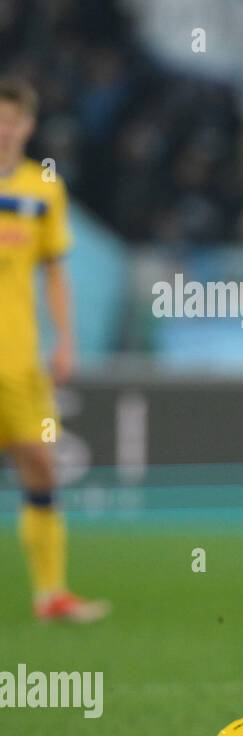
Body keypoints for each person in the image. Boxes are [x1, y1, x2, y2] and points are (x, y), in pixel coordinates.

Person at [0, 78, 109, 624]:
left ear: (27, 125)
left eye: (12, 120)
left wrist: (66, 340)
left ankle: (51, 595)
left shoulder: (44, 189)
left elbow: (56, 273)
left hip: (20, 360)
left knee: (40, 467)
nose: (3, 129)